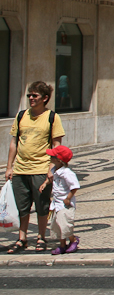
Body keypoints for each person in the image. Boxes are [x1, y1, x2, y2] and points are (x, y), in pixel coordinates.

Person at [5, 81, 65, 253]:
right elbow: (14, 143)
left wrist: (51, 169)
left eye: (35, 95)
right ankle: (22, 238)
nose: (31, 98)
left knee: (42, 206)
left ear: (45, 98)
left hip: (40, 168)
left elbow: (56, 145)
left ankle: (41, 237)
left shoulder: (52, 117)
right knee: (21, 206)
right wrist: (9, 167)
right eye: (29, 95)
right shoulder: (21, 116)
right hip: (20, 169)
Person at [42, 145, 79, 255]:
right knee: (57, 225)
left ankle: (73, 240)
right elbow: (51, 179)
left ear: (58, 160)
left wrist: (68, 198)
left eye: (52, 156)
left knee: (65, 225)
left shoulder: (67, 173)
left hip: (65, 204)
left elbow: (75, 186)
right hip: (56, 204)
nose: (50, 158)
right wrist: (45, 184)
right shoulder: (55, 170)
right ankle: (62, 244)